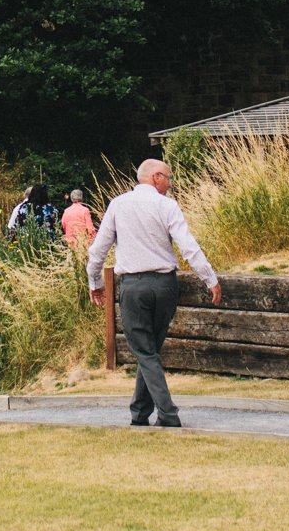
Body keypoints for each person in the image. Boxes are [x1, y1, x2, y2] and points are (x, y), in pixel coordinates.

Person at [86, 159, 221, 428]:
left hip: (134, 286)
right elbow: (187, 245)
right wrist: (209, 278)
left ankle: (169, 415)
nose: (170, 185)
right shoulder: (166, 206)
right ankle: (139, 412)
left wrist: (94, 281)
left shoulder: (118, 205)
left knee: (146, 352)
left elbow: (98, 250)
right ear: (156, 177)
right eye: (169, 179)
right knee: (150, 351)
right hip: (164, 286)